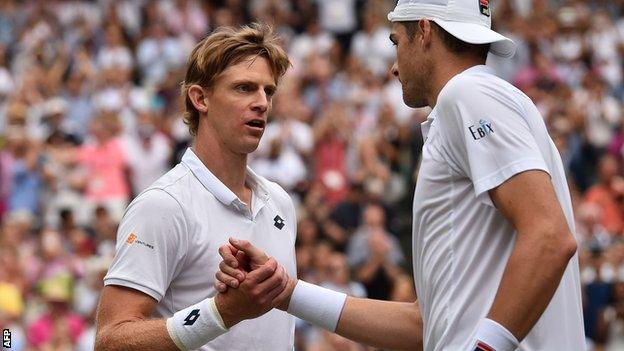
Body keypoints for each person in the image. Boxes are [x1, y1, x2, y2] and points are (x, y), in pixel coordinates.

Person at [215, 1, 586, 350]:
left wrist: (486, 347)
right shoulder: (483, 98)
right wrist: (286, 292)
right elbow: (423, 325)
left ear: (424, 31)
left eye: (397, 41)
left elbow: (550, 236)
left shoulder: (468, 92)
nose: (393, 66)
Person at [94, 24, 296, 351]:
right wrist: (221, 313)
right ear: (200, 98)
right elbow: (110, 340)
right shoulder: (162, 205)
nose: (262, 102)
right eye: (244, 88)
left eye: (268, 91)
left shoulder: (281, 203)